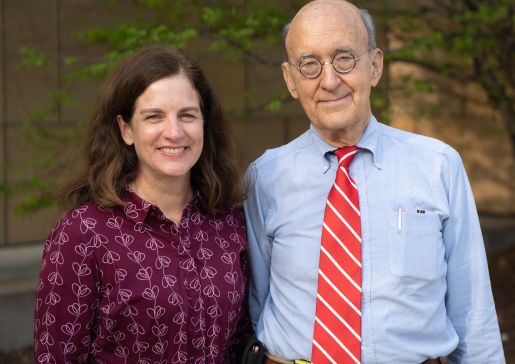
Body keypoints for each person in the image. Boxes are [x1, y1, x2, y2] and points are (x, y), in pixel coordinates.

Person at [243, 0, 505, 363]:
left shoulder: (438, 165)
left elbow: (473, 314)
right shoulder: (264, 177)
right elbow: (256, 303)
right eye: (310, 64)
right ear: (290, 79)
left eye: (345, 58)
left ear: (375, 66)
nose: (330, 80)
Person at [34, 45, 249, 364]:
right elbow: (56, 357)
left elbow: (242, 345)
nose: (174, 132)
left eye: (187, 115)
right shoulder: (83, 234)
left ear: (204, 122)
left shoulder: (230, 222)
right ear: (126, 129)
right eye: (154, 116)